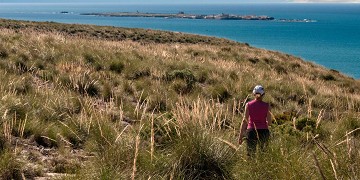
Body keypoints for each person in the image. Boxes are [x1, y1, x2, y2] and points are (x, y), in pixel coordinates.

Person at [238, 85, 272, 157]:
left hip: (251, 131)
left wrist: (240, 136)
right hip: (264, 132)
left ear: (254, 94)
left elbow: (245, 121)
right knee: (264, 155)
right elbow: (269, 123)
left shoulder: (248, 105)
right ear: (263, 95)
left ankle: (251, 168)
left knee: (250, 155)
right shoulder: (267, 106)